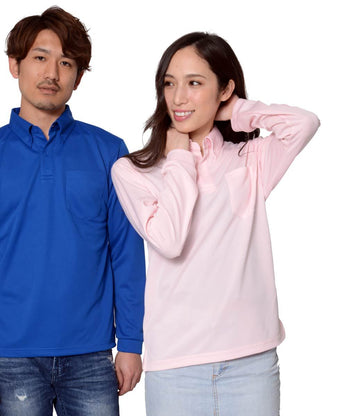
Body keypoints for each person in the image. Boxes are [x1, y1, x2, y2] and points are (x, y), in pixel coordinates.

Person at [111, 32, 320, 416]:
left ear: (224, 89)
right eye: (170, 83)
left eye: (194, 83)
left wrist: (237, 110)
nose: (178, 97)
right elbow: (170, 240)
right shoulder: (133, 171)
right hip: (176, 365)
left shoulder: (250, 160)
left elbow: (304, 123)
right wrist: (179, 159)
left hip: (252, 361)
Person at [0, 7, 145, 416]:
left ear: (78, 76)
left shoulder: (109, 152)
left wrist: (130, 342)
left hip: (92, 353)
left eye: (66, 62)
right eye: (40, 57)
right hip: (10, 357)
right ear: (14, 64)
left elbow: (127, 255)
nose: (52, 72)